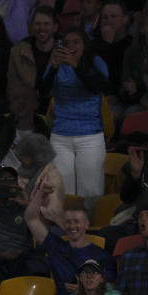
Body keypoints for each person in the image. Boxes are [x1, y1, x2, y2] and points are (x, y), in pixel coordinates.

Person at [42, 28, 109, 211]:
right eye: (67, 42)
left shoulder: (95, 62)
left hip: (90, 136)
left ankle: (91, 232)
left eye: (75, 42)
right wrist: (53, 68)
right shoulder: (57, 64)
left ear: (84, 45)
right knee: (63, 192)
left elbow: (99, 86)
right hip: (60, 135)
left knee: (90, 193)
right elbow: (42, 91)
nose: (70, 46)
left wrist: (76, 65)